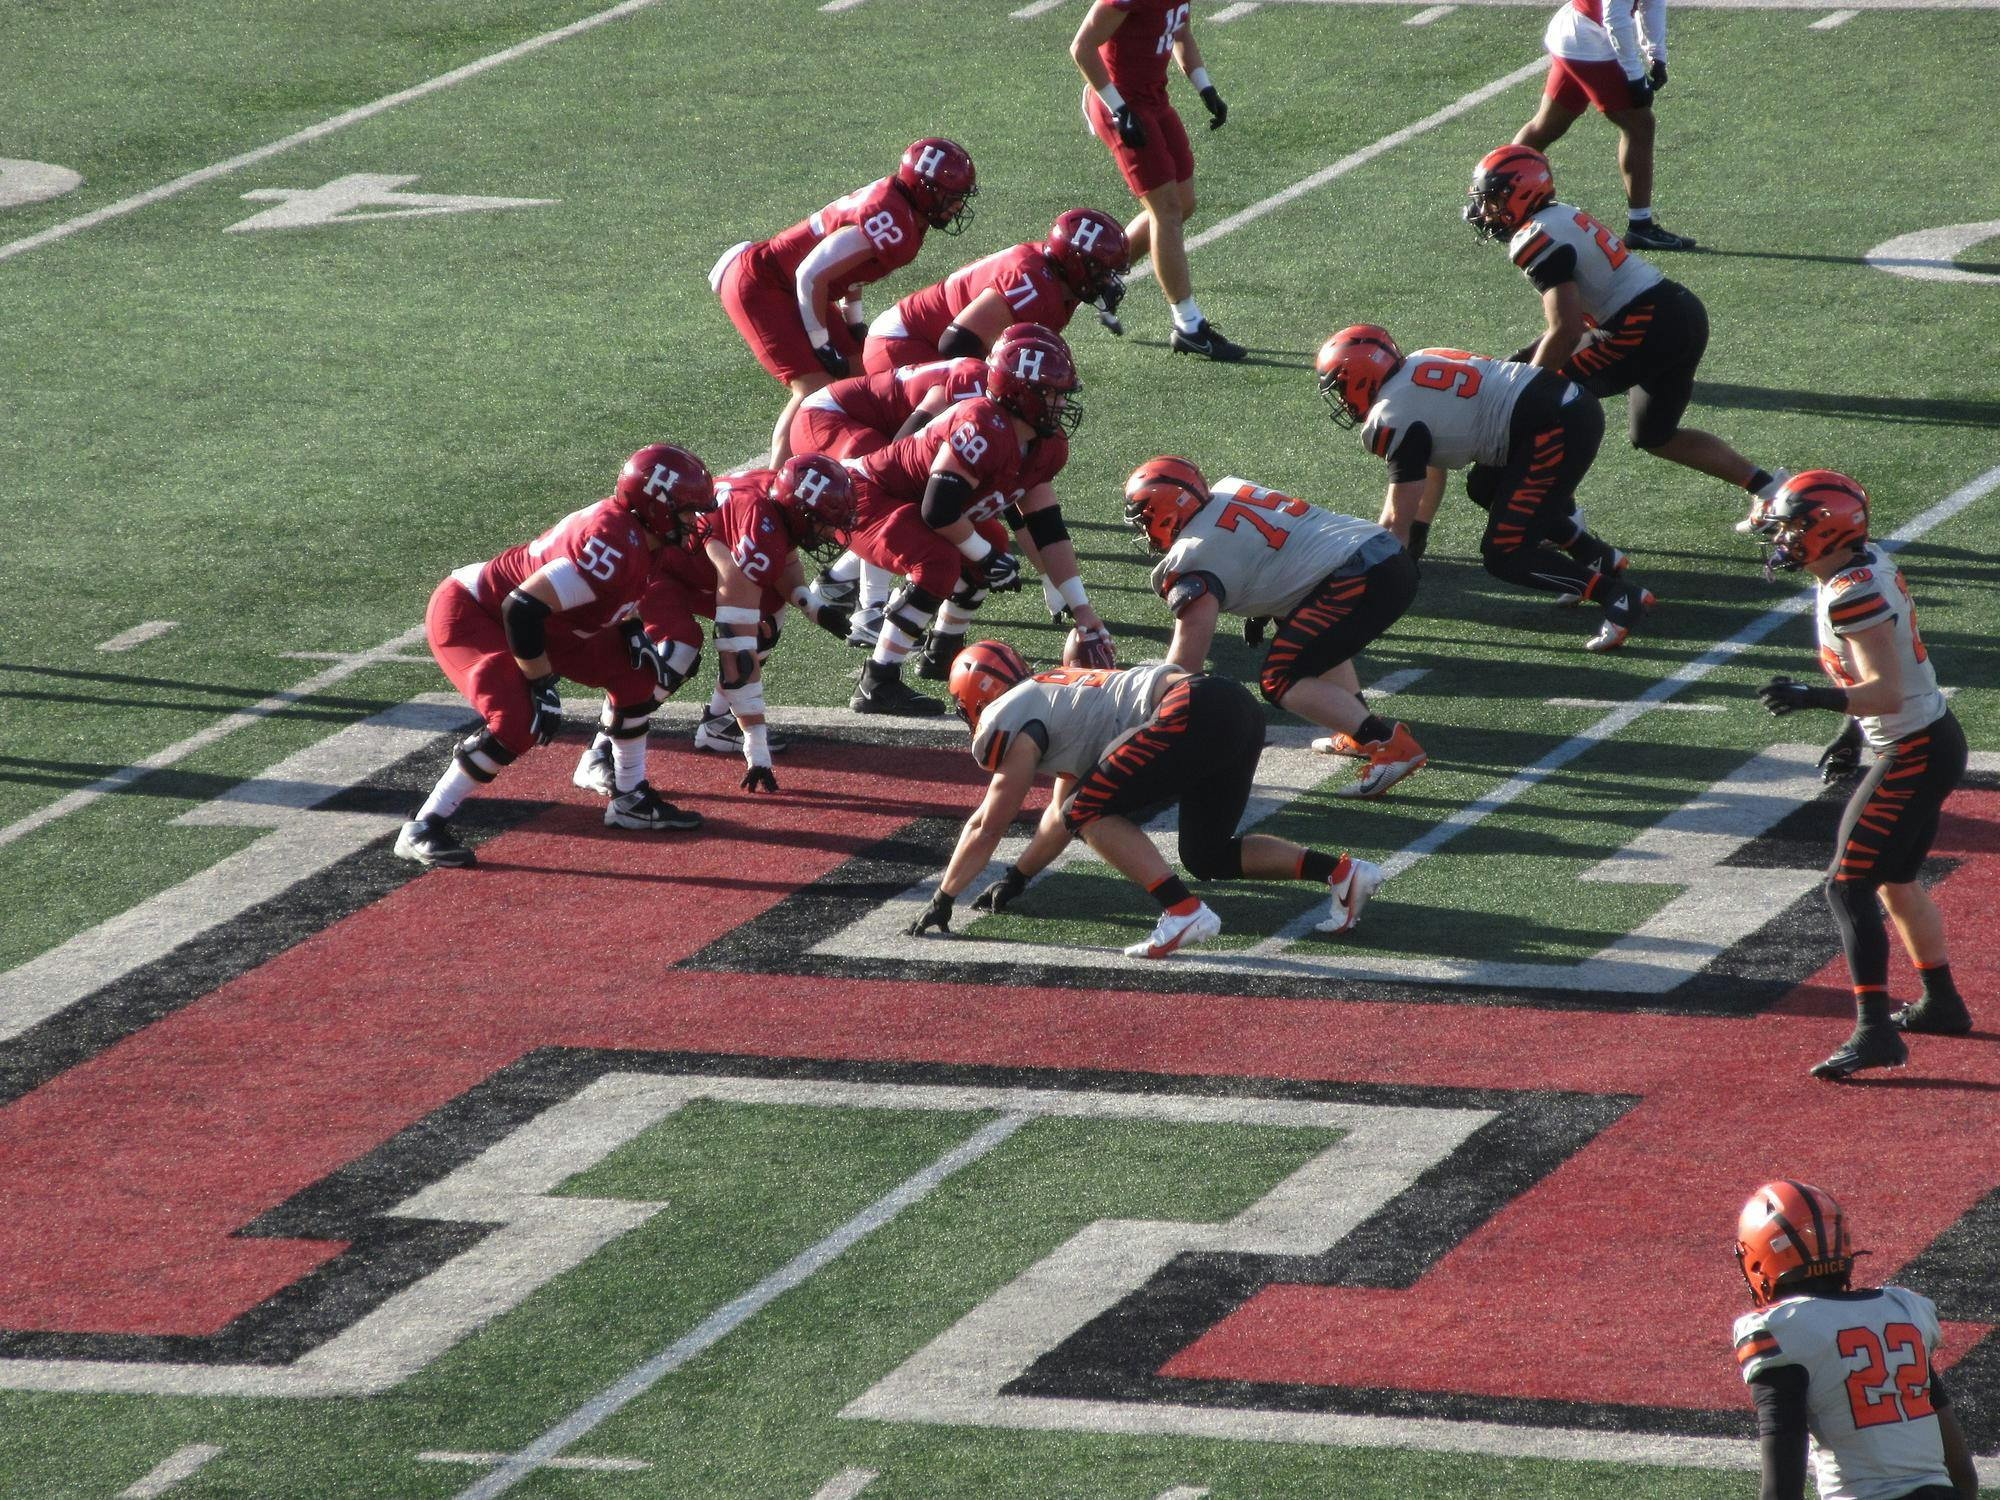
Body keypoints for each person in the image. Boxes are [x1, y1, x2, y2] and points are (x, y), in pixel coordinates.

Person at [905, 640, 1386, 959]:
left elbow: (989, 824)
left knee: (1089, 811)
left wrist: (944, 895)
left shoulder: (1010, 718)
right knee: (1207, 853)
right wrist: (1017, 877)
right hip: (1228, 707)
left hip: (1189, 709)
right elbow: (1061, 808)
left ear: (973, 700)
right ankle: (1342, 873)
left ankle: (1182, 912)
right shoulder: (1055, 702)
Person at [1743, 472, 1972, 1080]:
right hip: (1926, 737)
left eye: (1793, 526)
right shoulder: (1859, 566)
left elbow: (1885, 688)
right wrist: (1850, 734)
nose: (1783, 537)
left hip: (1914, 747)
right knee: (1895, 878)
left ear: (1827, 528)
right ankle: (1943, 1003)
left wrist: (1816, 702)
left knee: (1846, 887)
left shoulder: (1851, 591)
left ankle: (1875, 1033)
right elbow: (1884, 670)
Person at [395, 445, 718, 868]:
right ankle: (423, 826)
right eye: (688, 511)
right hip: (479, 613)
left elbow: (616, 593)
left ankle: (630, 798)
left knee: (637, 677)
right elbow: (521, 607)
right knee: (519, 719)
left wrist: (632, 628)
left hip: (551, 622)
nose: (696, 522)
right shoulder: (613, 543)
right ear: (656, 507)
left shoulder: (642, 537)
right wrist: (542, 683)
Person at [1464, 145, 1790, 505]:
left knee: (1543, 403)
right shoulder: (1560, 215)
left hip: (1643, 325)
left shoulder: (1535, 237)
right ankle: (1772, 491)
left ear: (1523, 193)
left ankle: (1556, 518)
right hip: (1678, 310)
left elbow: (1567, 329)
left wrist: (1524, 390)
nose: (1486, 211)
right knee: (1654, 434)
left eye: (1493, 199)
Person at [1315, 323, 1653, 651]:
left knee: (1505, 553)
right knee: (1484, 485)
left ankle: (1616, 594)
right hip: (1561, 406)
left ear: (1360, 376)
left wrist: (1371, 586)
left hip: (1552, 427)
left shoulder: (1390, 417)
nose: (1342, 398)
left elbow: (1396, 521)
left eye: (1341, 386)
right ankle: (1595, 554)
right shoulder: (1422, 358)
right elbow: (1425, 475)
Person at [844, 325, 1113, 714]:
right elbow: (937, 510)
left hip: (917, 502)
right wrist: (983, 555)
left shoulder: (1046, 444)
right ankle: (877, 681)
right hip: (868, 496)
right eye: (1051, 393)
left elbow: (1048, 531)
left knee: (993, 548)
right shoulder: (983, 425)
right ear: (1020, 393)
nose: (1060, 404)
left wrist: (1082, 609)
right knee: (941, 561)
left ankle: (940, 654)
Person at [1123, 457, 1426, 798]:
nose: (1144, 529)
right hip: (1380, 551)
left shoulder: (1191, 557)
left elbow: (1186, 665)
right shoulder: (1229, 489)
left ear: (1168, 510)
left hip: (1358, 575)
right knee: (1307, 637)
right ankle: (1357, 729)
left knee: (1280, 677)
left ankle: (1388, 744)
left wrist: (1151, 718)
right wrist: (1267, 606)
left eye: (1145, 518)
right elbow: (1277, 548)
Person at [571, 454, 858, 795]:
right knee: (678, 650)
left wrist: (811, 605)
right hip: (659, 570)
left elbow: (787, 557)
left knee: (768, 613)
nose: (829, 532)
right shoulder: (760, 528)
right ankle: (598, 751)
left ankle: (719, 723)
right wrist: (757, 746)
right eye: (823, 522)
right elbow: (735, 650)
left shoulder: (777, 493)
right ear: (802, 512)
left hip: (698, 568)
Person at [709, 138, 977, 466]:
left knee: (856, 377)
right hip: (764, 283)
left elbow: (850, 270)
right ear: (923, 189)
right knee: (814, 389)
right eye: (951, 197)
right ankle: (774, 489)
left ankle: (865, 468)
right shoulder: (892, 218)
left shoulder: (903, 212)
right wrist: (821, 344)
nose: (957, 207)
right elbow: (810, 273)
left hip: (796, 287)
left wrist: (854, 319)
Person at [1733, 1180, 1979, 1500]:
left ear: (1760, 1260)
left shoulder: (1784, 1329)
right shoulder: (1901, 1310)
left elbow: (1782, 1488)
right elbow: (1962, 1472)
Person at [1070, 0, 1244, 360]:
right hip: (1119, 103)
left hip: (1153, 98)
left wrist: (1205, 87)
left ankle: (1099, 275)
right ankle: (1189, 324)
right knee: (1165, 209)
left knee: (1182, 203)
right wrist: (1118, 109)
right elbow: (1082, 47)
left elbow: (1180, 33)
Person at [790, 355, 991, 648]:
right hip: (827, 417)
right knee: (886, 494)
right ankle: (870, 609)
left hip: (860, 421)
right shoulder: (972, 382)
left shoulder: (993, 399)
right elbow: (901, 446)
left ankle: (836, 581)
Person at [1512, 0, 1695, 251]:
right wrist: (1634, 75)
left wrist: (1656, 55)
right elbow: (1614, 16)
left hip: (1579, 31)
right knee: (1640, 124)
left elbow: (1651, 2)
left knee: (1547, 126)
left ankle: (1492, 196)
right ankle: (1640, 226)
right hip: (1588, 38)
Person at [862, 208, 1130, 374]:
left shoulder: (1055, 281)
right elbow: (956, 344)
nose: (1108, 282)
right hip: (904, 345)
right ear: (1076, 264)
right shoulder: (1032, 285)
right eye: (1102, 272)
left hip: (918, 341)